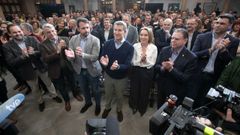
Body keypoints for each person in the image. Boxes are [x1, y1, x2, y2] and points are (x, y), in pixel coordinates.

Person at [3, 24, 62, 112]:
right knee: (35, 89)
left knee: (49, 83)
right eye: (14, 32)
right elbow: (11, 63)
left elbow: (41, 52)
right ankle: (40, 101)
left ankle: (54, 95)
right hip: (27, 71)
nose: (18, 33)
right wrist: (22, 56)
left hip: (40, 67)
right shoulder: (7, 46)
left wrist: (34, 52)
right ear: (9, 34)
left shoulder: (31, 39)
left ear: (22, 31)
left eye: (19, 31)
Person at [192, 14, 239, 107]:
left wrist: (223, 50)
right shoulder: (202, 37)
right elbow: (193, 55)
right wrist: (211, 50)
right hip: (197, 74)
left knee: (204, 104)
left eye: (222, 23)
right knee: (191, 100)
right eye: (217, 22)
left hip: (214, 77)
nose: (217, 25)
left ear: (229, 26)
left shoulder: (233, 41)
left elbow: (230, 62)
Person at [40, 23, 82, 112]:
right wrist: (58, 51)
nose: (51, 33)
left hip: (68, 67)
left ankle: (75, 94)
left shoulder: (65, 39)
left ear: (55, 31)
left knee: (73, 82)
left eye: (52, 31)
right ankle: (67, 101)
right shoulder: (43, 45)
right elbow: (46, 59)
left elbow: (71, 51)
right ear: (45, 34)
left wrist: (68, 49)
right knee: (61, 87)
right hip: (55, 70)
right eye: (48, 32)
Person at [65, 18, 102, 116]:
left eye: (87, 27)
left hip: (92, 69)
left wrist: (82, 54)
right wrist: (70, 57)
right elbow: (70, 56)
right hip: (79, 70)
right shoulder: (73, 39)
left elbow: (95, 57)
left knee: (96, 90)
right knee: (84, 89)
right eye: (83, 28)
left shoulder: (95, 40)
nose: (86, 30)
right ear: (77, 28)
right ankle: (88, 103)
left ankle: (98, 105)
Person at [100, 21, 134, 122]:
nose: (117, 32)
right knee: (108, 94)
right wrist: (104, 63)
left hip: (121, 78)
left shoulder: (129, 47)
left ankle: (119, 110)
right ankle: (107, 107)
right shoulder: (107, 43)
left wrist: (118, 66)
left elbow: (128, 65)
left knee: (119, 96)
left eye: (120, 30)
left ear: (125, 31)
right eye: (115, 30)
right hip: (108, 75)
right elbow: (102, 57)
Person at [155, 28, 197, 107]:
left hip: (176, 92)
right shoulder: (165, 50)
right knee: (158, 113)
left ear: (185, 41)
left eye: (177, 39)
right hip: (162, 89)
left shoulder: (191, 57)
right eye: (172, 38)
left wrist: (171, 69)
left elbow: (185, 78)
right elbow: (156, 66)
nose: (173, 40)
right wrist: (163, 68)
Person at [129, 27, 157, 116]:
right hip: (136, 70)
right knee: (134, 89)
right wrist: (140, 60)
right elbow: (132, 61)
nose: (143, 37)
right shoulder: (135, 46)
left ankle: (142, 108)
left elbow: (152, 63)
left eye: (146, 35)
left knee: (145, 91)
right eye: (141, 35)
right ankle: (134, 106)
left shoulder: (153, 47)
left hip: (147, 71)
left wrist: (145, 61)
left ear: (149, 36)